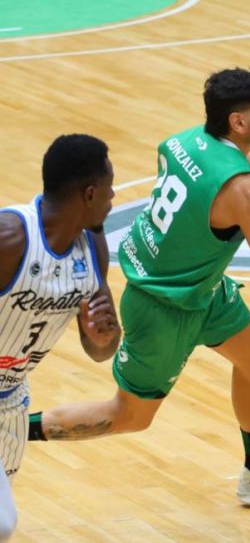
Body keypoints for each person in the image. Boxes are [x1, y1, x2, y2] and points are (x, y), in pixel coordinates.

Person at [29, 67, 250, 506]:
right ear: (238, 122)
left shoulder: (191, 141)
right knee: (129, 416)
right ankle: (14, 427)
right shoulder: (245, 194)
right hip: (163, 306)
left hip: (199, 287)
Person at [0, 134, 121, 539]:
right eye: (109, 188)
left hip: (10, 400)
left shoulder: (93, 247)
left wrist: (101, 336)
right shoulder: (10, 236)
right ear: (90, 193)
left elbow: (102, 349)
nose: (113, 197)